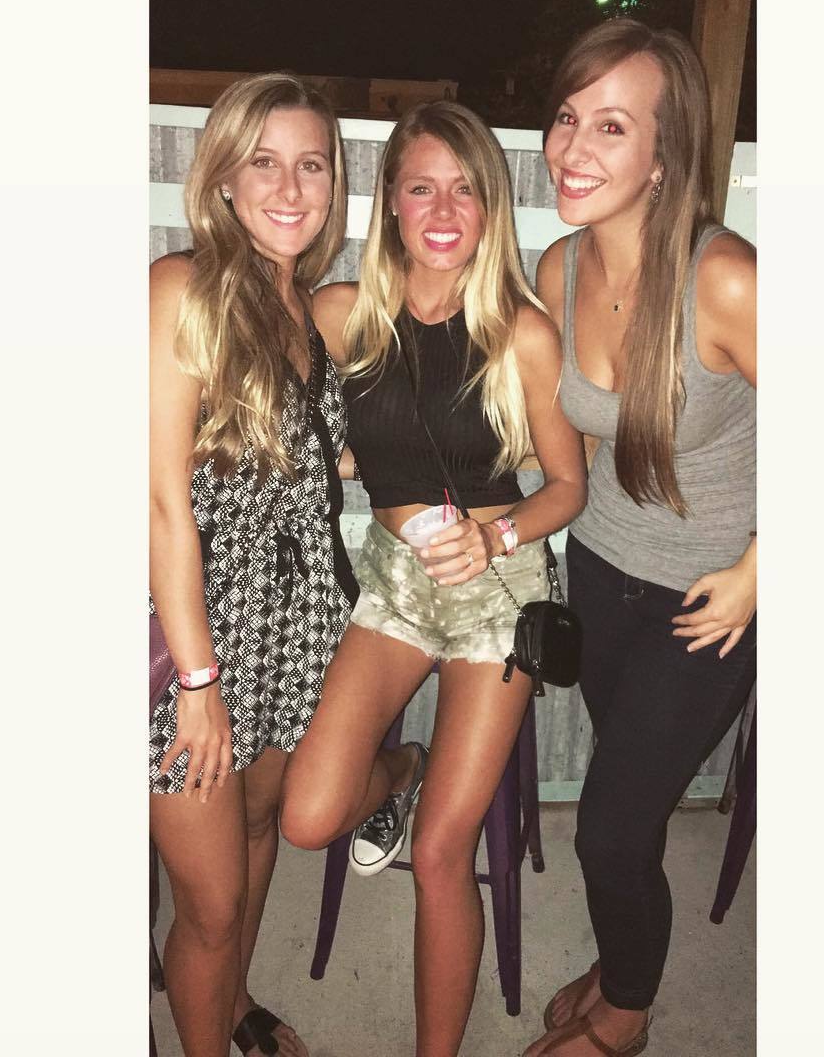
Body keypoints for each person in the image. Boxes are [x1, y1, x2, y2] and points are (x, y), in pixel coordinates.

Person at [279, 100, 587, 1055]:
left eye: (464, 189)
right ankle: (402, 769)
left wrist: (497, 541)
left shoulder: (522, 334)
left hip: (501, 596)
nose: (443, 210)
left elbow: (568, 485)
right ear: (391, 201)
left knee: (443, 853)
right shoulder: (339, 315)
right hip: (396, 584)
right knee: (307, 817)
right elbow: (311, 431)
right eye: (421, 187)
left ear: (490, 205)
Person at [523, 20, 757, 1057]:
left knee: (610, 827)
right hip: (600, 569)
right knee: (631, 812)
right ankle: (624, 958)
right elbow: (561, 439)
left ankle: (626, 1014)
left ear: (665, 154)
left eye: (611, 127)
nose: (572, 149)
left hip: (709, 597)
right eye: (567, 117)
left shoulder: (726, 279)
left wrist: (761, 571)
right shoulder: (558, 268)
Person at [149, 73, 357, 1057]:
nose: (289, 186)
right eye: (264, 162)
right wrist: (199, 683)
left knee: (262, 826)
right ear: (224, 177)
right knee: (212, 905)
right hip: (195, 634)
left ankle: (230, 1004)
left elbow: (303, 460)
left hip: (296, 623)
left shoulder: (306, 308)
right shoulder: (181, 289)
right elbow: (159, 501)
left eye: (311, 164)